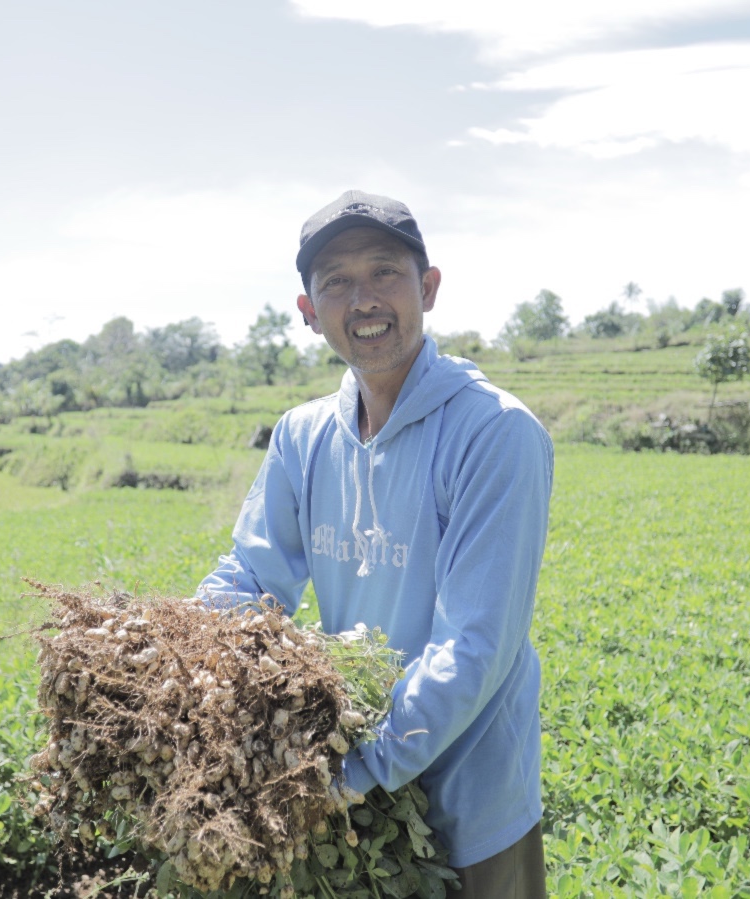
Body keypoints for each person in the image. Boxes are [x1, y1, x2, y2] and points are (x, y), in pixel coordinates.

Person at [197, 190, 553, 897]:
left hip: (469, 798)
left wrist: (347, 773)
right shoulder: (302, 435)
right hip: (353, 789)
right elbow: (250, 573)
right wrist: (178, 659)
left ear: (428, 287)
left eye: (385, 272)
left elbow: (473, 646)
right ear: (308, 312)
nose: (363, 300)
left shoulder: (495, 433)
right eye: (336, 281)